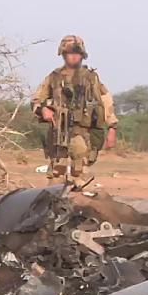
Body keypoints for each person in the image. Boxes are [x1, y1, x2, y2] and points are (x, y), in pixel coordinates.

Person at [31, 35, 118, 188]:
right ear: (63, 54)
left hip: (83, 134)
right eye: (69, 52)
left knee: (80, 175)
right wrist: (43, 109)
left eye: (76, 53)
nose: (73, 56)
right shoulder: (53, 77)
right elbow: (36, 100)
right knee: (56, 176)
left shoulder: (91, 78)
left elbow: (106, 101)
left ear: (82, 55)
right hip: (58, 132)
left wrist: (112, 128)